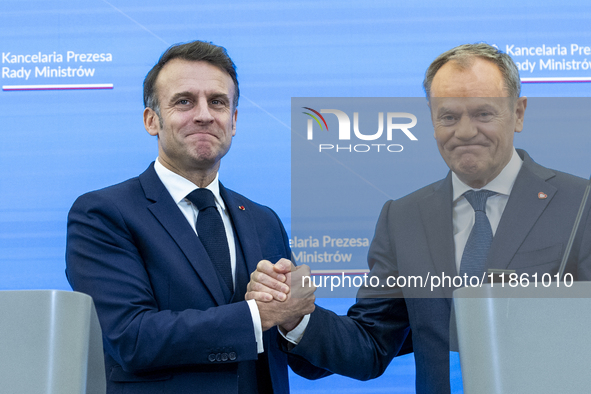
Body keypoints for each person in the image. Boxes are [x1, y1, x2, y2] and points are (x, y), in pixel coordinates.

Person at [246, 43, 591, 393]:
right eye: (449, 116)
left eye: (484, 114)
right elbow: (371, 343)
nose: (466, 131)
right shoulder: (404, 217)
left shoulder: (582, 203)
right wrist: (295, 316)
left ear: (518, 113)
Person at [65, 40, 315, 394]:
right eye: (184, 101)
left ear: (234, 120)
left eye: (217, 102)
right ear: (152, 120)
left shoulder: (263, 220)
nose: (203, 114)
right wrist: (259, 316)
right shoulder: (103, 214)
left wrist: (293, 319)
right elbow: (131, 338)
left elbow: (301, 360)